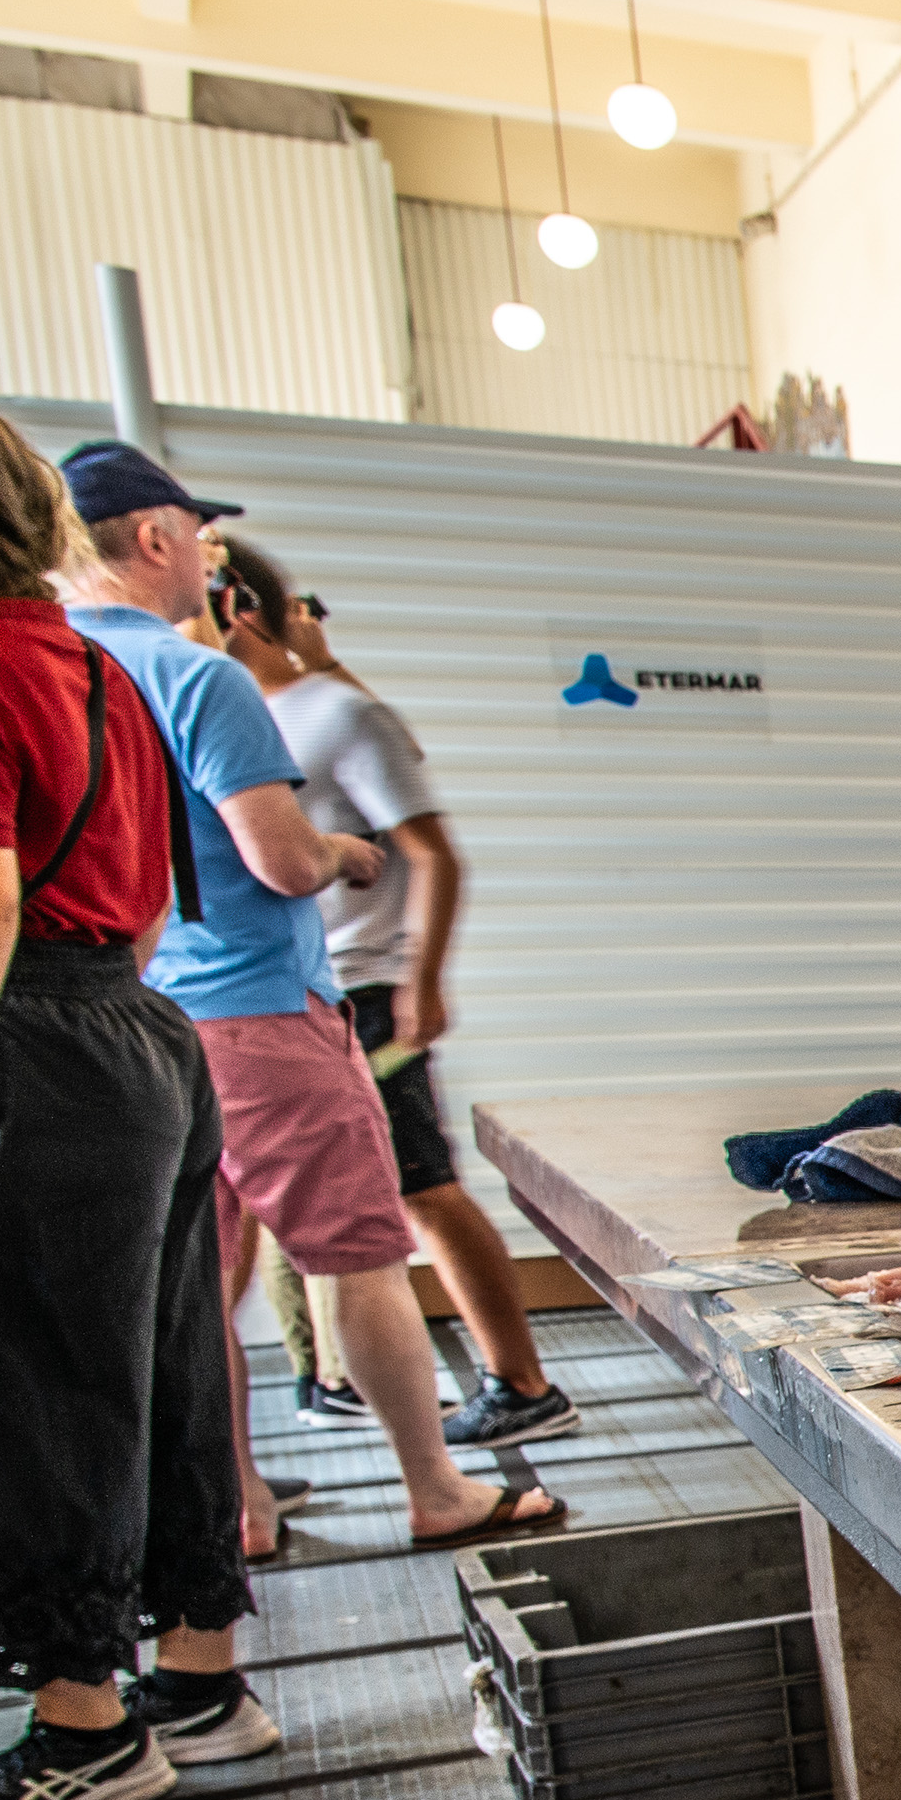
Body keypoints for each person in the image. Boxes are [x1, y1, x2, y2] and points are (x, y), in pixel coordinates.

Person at [54, 442, 563, 1562]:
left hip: (129, 1021)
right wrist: (340, 850)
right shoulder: (197, 677)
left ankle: (236, 1506)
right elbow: (280, 860)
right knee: (361, 1256)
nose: (207, 556)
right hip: (260, 1009)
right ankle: (434, 1487)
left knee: (199, 1286)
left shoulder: (49, 672)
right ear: (154, 540)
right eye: (198, 534)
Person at [0, 395, 258, 1800]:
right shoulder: (100, 664)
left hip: (30, 1046)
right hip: (137, 1036)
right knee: (157, 1365)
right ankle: (202, 1678)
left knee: (13, 1383)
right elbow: (148, 901)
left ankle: (85, 1726)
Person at [212, 537, 578, 1448]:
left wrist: (424, 980)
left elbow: (433, 853)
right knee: (265, 1217)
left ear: (235, 607)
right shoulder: (228, 711)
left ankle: (520, 1380)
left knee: (424, 1190)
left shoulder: (338, 715)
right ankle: (317, 1387)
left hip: (361, 995)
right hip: (273, 1004)